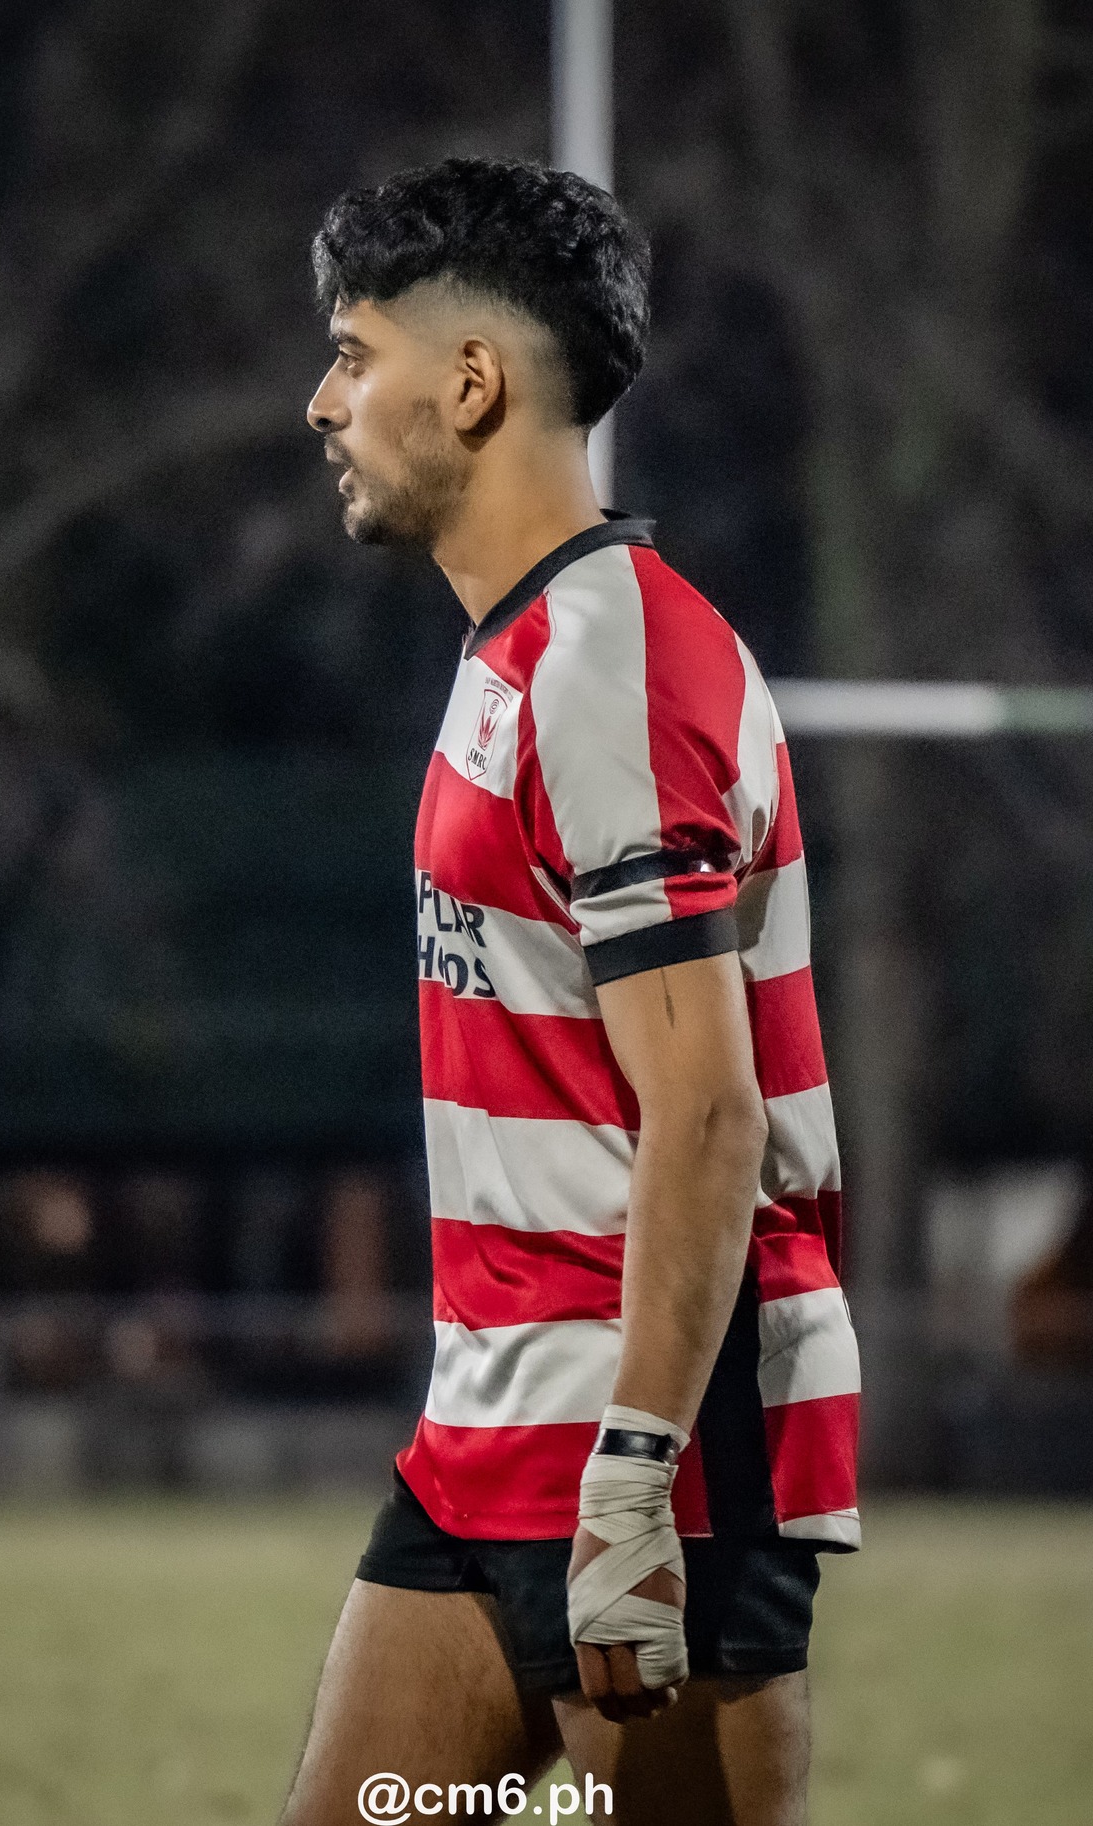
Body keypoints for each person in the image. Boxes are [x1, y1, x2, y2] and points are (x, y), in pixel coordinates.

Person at [282, 158, 859, 1826]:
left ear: (470, 385)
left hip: (652, 1441)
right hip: (492, 1424)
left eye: (351, 353)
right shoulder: (519, 653)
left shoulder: (613, 667)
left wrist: (636, 1467)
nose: (324, 402)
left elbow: (708, 1107)